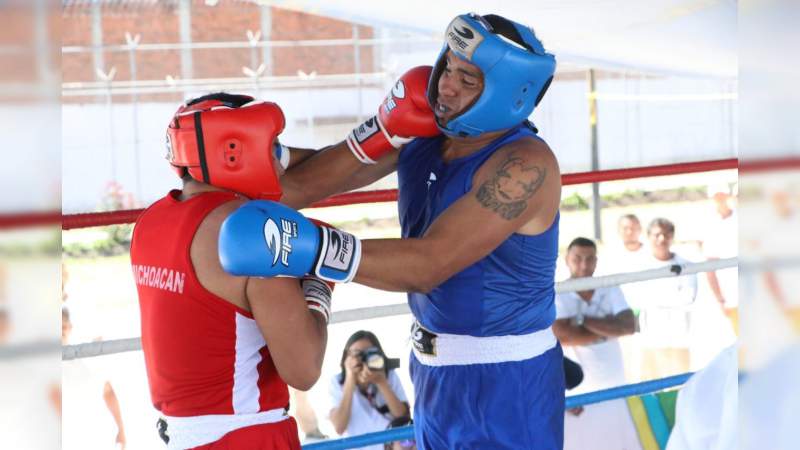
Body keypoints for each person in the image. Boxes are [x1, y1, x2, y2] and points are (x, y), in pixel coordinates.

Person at [219, 12, 564, 449]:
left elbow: (430, 263)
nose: (446, 86)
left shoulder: (524, 166)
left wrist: (307, 247)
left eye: (468, 80)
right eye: (449, 66)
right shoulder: (423, 130)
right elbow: (306, 185)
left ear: (510, 96)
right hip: (432, 371)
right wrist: (236, 160)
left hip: (507, 385)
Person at [129, 93, 334, 449]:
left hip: (181, 436)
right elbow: (304, 369)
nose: (281, 165)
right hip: (246, 434)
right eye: (272, 148)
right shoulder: (252, 231)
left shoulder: (149, 223)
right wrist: (320, 283)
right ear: (234, 150)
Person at [552, 237, 640, 450]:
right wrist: (608, 330)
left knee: (618, 439)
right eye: (578, 258)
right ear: (567, 259)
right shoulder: (558, 291)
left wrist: (581, 321)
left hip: (614, 380)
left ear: (596, 261)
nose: (584, 264)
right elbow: (563, 335)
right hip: (577, 386)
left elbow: (628, 326)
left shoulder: (608, 286)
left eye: (590, 258)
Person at [633, 218, 698, 379]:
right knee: (649, 389)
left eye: (666, 234)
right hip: (650, 339)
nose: (661, 239)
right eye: (657, 235)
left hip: (679, 338)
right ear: (648, 236)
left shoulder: (686, 264)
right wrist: (669, 299)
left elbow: (688, 297)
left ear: (672, 237)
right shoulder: (640, 265)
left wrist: (654, 298)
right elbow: (638, 298)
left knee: (679, 387)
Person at [328, 331, 409, 450]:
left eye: (370, 353)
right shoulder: (338, 382)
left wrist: (381, 382)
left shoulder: (388, 375)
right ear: (346, 358)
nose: (364, 358)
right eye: (357, 354)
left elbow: (403, 417)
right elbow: (339, 427)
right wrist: (350, 379)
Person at [61, 307, 127, 450]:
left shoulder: (87, 359)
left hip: (93, 437)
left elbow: (108, 390)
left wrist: (121, 429)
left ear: (70, 327)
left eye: (62, 327)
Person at [703, 183, 738, 330]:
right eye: (716, 196)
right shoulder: (710, 226)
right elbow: (710, 267)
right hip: (732, 295)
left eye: (722, 195)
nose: (720, 199)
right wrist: (720, 300)